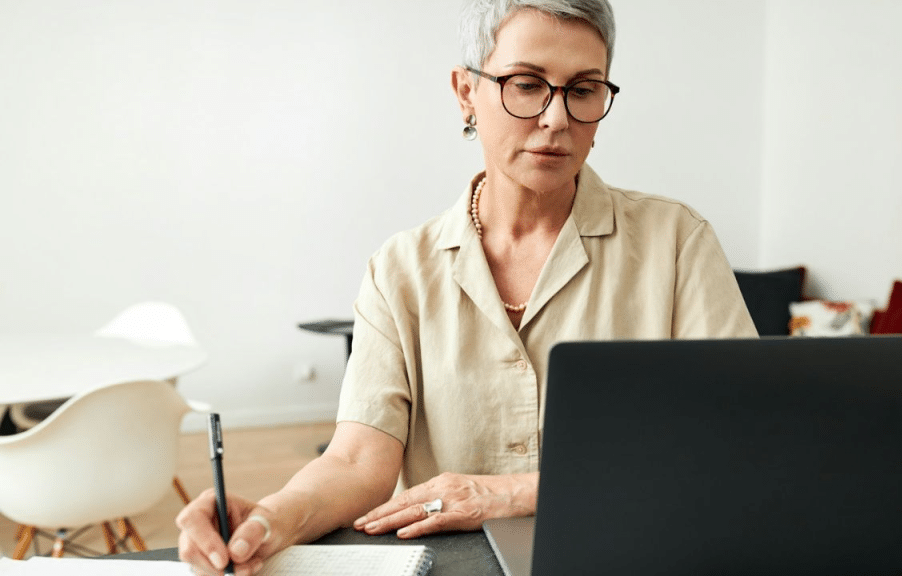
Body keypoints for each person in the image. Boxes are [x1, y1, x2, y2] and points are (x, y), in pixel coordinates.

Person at [176, 0, 757, 574]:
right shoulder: (400, 269)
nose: (557, 118)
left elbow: (736, 440)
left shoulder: (677, 243)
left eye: (583, 90)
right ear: (465, 93)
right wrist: (269, 518)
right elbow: (357, 461)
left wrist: (514, 493)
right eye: (527, 84)